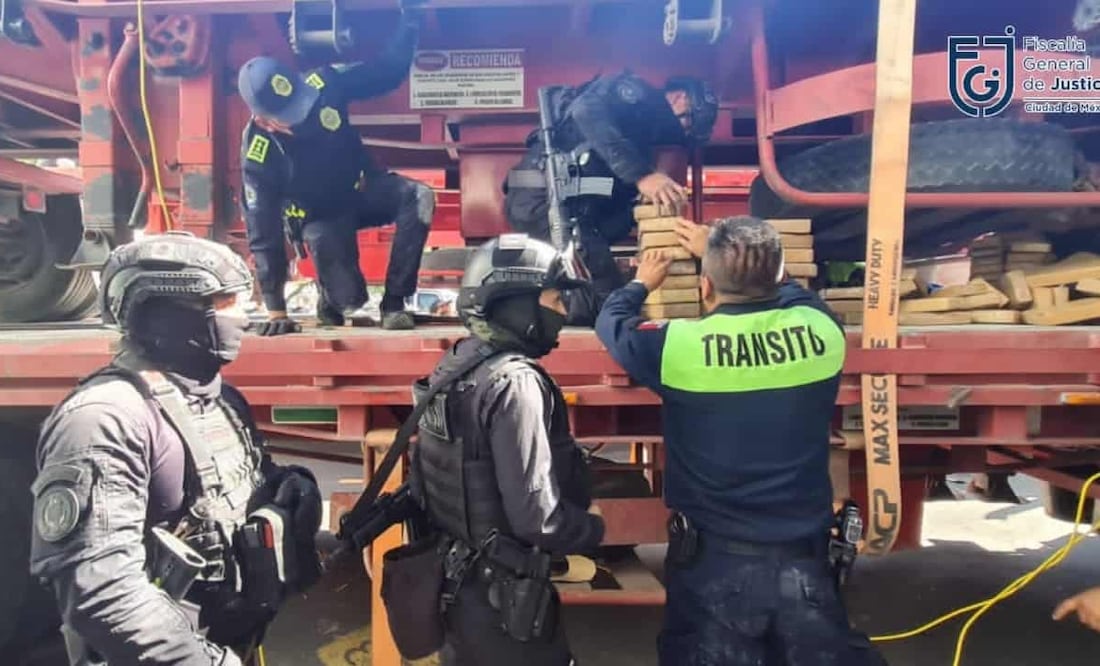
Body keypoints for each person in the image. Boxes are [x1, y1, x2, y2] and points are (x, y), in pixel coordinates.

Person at [595, 216, 887, 665]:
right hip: (804, 559)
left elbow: (611, 322)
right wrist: (754, 266)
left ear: (705, 285)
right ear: (776, 276)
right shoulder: (823, 335)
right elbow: (798, 298)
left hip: (714, 563)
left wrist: (640, 282)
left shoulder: (678, 347)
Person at [28, 232, 323, 665]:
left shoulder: (218, 400)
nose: (242, 317)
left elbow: (232, 489)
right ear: (165, 312)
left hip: (228, 643)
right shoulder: (104, 419)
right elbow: (103, 591)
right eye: (224, 304)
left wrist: (290, 488)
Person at [409, 233, 606, 665]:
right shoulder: (515, 384)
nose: (563, 312)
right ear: (515, 303)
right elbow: (538, 519)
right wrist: (593, 529)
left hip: (459, 588)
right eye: (554, 300)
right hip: (507, 602)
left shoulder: (456, 363)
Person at [238, 0, 432, 334]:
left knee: (419, 197)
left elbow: (386, 72)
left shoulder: (323, 84)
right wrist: (276, 311)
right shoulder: (258, 157)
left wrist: (410, 19)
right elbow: (263, 233)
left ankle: (395, 303)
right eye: (289, 118)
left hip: (361, 189)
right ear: (264, 121)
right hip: (319, 217)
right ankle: (331, 298)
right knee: (350, 303)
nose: (302, 119)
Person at [502, 72, 718, 327]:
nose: (683, 129)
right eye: (688, 120)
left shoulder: (641, 134)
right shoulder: (637, 95)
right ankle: (528, 321)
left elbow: (602, 186)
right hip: (542, 203)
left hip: (575, 213)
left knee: (609, 293)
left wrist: (635, 209)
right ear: (680, 98)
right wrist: (643, 176)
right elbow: (585, 111)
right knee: (606, 301)